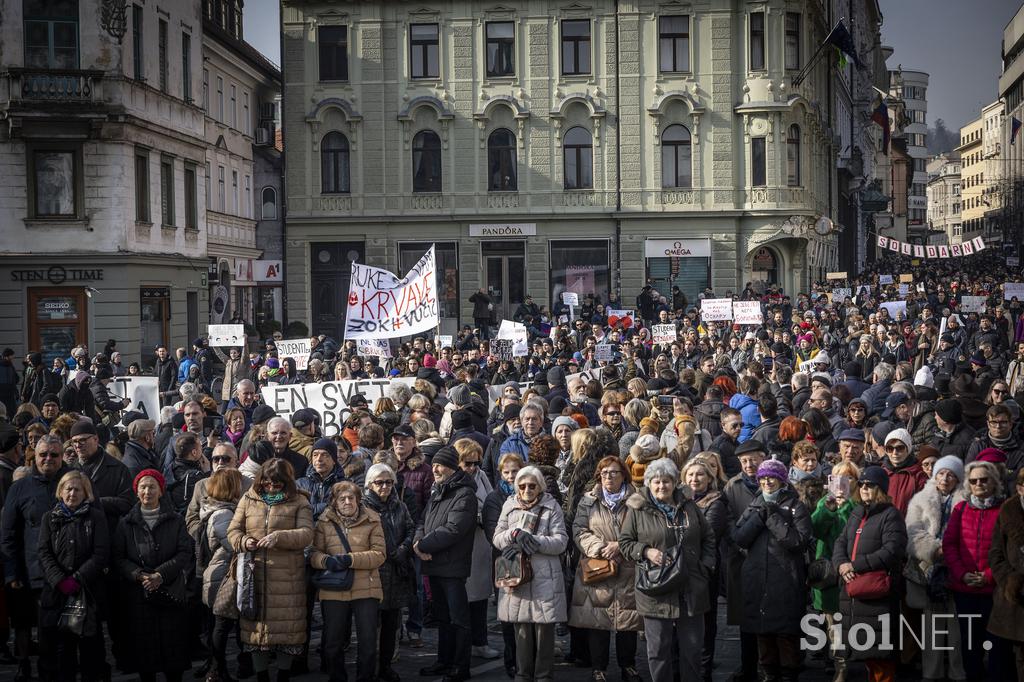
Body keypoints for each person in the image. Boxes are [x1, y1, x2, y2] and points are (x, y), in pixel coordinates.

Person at [619, 457, 716, 682]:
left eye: (666, 481)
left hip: (691, 586)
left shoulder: (689, 506)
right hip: (655, 587)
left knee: (692, 650)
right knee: (658, 651)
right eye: (656, 481)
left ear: (674, 482)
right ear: (649, 484)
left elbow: (708, 537)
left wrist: (705, 567)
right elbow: (625, 542)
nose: (662, 486)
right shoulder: (637, 509)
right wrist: (645, 551)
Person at [227, 459, 314, 681]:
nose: (272, 487)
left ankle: (283, 675)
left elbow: (306, 534)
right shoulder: (248, 499)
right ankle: (262, 676)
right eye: (267, 483)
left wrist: (280, 537)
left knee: (288, 630)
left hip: (287, 576)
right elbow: (233, 530)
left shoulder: (299, 501)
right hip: (254, 575)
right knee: (256, 631)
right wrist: (244, 540)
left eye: (277, 484)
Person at [732, 457, 813, 682]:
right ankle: (768, 674)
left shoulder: (796, 505)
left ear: (781, 481)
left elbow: (799, 541)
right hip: (757, 579)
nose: (767, 482)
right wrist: (759, 517)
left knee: (786, 635)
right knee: (763, 634)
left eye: (772, 478)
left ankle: (789, 674)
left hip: (786, 579)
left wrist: (773, 518)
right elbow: (739, 537)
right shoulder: (755, 504)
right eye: (763, 478)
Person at [113, 469, 192, 682]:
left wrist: (160, 575)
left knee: (172, 651)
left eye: (152, 486)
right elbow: (119, 558)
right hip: (138, 595)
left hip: (169, 591)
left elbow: (184, 552)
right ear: (137, 491)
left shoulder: (175, 519)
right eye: (143, 487)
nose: (147, 491)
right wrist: (140, 575)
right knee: (145, 653)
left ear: (161, 490)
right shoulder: (125, 523)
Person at [568, 455, 642, 682]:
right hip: (597, 566)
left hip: (628, 566)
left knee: (628, 622)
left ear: (624, 475)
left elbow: (645, 529)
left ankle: (628, 666)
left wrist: (621, 546)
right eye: (604, 473)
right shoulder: (587, 500)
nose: (608, 477)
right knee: (597, 620)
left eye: (613, 472)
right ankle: (598, 668)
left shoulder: (638, 500)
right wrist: (600, 548)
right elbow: (579, 530)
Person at [1, 435, 68, 681]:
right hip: (30, 571)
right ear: (35, 456)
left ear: (61, 456)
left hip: (65, 570)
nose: (48, 459)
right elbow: (8, 534)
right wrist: (12, 573)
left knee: (58, 629)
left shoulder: (72, 481)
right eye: (43, 454)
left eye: (54, 454)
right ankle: (24, 666)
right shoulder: (20, 487)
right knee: (24, 624)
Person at [492, 465, 569, 682]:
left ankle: (544, 675)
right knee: (521, 629)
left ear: (540, 487)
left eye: (532, 485)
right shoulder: (509, 505)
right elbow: (497, 537)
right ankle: (522, 674)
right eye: (522, 485)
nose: (527, 489)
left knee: (545, 630)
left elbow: (561, 542)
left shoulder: (551, 507)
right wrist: (513, 535)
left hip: (545, 575)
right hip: (516, 574)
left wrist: (535, 542)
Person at [832, 465, 908, 682]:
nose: (865, 488)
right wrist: (841, 565)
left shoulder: (890, 515)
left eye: (870, 485)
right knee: (867, 654)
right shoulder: (857, 512)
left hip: (878, 595)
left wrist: (855, 566)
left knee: (881, 657)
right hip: (853, 593)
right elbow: (841, 542)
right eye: (862, 484)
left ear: (881, 488)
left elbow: (892, 550)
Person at [942, 459, 1013, 679]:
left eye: (984, 479)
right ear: (968, 484)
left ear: (993, 482)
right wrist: (962, 574)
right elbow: (949, 544)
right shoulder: (961, 509)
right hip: (966, 591)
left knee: (998, 650)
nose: (979, 484)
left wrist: (990, 576)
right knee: (970, 649)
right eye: (974, 481)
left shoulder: (1005, 510)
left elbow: (1011, 549)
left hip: (996, 591)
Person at [36, 470, 109, 682]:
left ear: (86, 492)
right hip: (56, 594)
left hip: (88, 593)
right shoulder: (49, 518)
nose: (72, 493)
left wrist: (77, 579)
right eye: (68, 489)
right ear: (61, 491)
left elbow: (101, 553)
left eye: (77, 489)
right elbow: (43, 552)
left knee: (91, 653)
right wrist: (59, 580)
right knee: (60, 655)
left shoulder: (96, 517)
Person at [413, 446, 478, 682]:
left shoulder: (464, 493)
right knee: (443, 618)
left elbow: (453, 529)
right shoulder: (438, 490)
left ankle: (461, 666)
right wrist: (417, 541)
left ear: (452, 467)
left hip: (452, 566)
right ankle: (444, 661)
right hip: (434, 563)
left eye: (440, 465)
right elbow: (423, 519)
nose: (436, 469)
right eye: (434, 465)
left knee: (458, 618)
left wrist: (423, 546)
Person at [309, 480, 385, 682]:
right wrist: (325, 561)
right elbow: (314, 553)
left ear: (359, 500)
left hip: (367, 588)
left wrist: (349, 559)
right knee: (333, 640)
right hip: (334, 588)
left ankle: (365, 678)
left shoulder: (373, 519)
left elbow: (379, 554)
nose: (347, 502)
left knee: (367, 640)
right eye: (342, 498)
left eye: (352, 498)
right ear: (334, 501)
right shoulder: (324, 522)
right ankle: (337, 677)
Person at [904, 455, 967, 682]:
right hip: (928, 569)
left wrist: (951, 553)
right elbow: (913, 532)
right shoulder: (920, 499)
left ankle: (957, 673)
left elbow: (968, 534)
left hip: (956, 569)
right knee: (931, 626)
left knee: (956, 627)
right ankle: (931, 674)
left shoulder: (966, 500)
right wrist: (935, 550)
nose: (945, 478)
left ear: (957, 478)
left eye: (951, 474)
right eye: (941, 473)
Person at [362, 463, 415, 682]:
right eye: (379, 482)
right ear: (369, 484)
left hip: (396, 571)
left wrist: (403, 548)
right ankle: (367, 670)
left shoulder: (399, 505)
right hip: (373, 573)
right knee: (369, 627)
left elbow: (411, 528)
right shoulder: (363, 506)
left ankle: (385, 666)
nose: (384, 486)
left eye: (388, 482)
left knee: (391, 624)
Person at [681, 458, 731, 682]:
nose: (694, 479)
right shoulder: (679, 500)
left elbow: (707, 534)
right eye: (690, 475)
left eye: (700, 475)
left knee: (705, 622)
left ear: (710, 479)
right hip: (680, 569)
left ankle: (703, 672)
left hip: (704, 569)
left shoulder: (716, 502)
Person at [452, 438, 500, 659]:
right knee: (461, 598)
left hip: (480, 545)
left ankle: (480, 642)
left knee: (480, 596)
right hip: (459, 547)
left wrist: (484, 517)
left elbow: (490, 502)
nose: (472, 467)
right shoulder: (451, 481)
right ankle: (461, 646)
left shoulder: (481, 477)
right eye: (467, 463)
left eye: (476, 463)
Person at [199, 468, 244, 682]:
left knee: (219, 626)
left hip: (219, 574)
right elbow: (233, 544)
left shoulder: (219, 510)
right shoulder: (223, 514)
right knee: (221, 626)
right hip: (223, 576)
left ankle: (217, 669)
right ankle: (217, 671)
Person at [988, 466, 1024, 680]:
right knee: (1007, 664)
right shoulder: (1008, 512)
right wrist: (1011, 581)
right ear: (1020, 488)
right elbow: (996, 555)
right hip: (1012, 601)